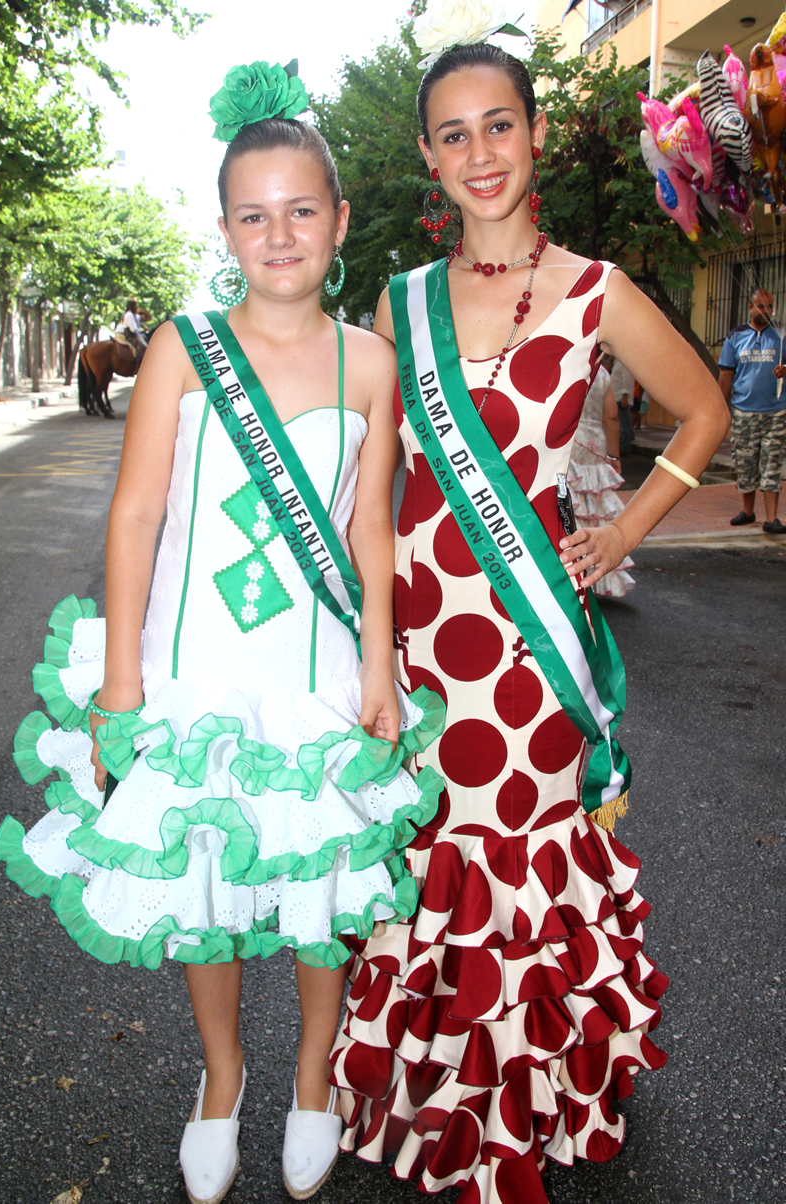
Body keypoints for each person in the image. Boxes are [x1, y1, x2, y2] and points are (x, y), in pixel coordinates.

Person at [0, 62, 445, 1204]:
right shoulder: (182, 351)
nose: (279, 233)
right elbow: (136, 513)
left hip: (315, 676)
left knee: (315, 889)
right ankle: (220, 1076)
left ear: (337, 222)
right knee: (203, 887)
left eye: (302, 210)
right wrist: (123, 684)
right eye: (255, 213)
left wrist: (381, 665)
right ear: (225, 226)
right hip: (193, 678)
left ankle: (309, 1076)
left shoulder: (372, 364)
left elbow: (370, 524)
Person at [329, 16, 729, 1204]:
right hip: (421, 643)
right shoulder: (401, 302)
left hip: (529, 652)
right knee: (429, 856)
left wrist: (619, 529)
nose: (479, 150)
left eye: (496, 123)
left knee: (521, 862)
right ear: (428, 159)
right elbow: (374, 474)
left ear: (535, 133)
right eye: (452, 135)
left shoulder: (599, 293)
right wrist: (369, 642)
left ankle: (531, 1096)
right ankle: (427, 1097)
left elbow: (701, 412)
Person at [719, 288, 786, 534]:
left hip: (776, 410)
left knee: (772, 462)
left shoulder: (782, 335)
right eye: (761, 306)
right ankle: (748, 512)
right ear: (750, 307)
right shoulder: (735, 336)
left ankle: (772, 519)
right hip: (743, 411)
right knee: (745, 462)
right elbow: (727, 374)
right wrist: (720, 408)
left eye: (770, 306)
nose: (766, 311)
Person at [567, 362, 636, 598]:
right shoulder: (602, 373)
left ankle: (570, 572)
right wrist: (614, 455)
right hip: (595, 444)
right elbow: (612, 417)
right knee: (595, 507)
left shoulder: (567, 364)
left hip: (569, 441)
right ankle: (600, 577)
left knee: (571, 504)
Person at [611, 355, 635, 453]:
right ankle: (625, 442)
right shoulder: (619, 363)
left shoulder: (625, 364)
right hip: (617, 396)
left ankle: (624, 446)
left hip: (621, 397)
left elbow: (627, 381)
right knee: (623, 422)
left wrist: (625, 395)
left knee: (624, 423)